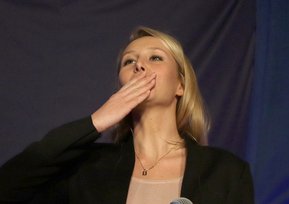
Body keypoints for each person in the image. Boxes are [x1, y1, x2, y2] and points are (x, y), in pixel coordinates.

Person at [0, 27, 254, 204]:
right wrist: (96, 121)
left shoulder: (225, 171)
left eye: (155, 57)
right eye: (129, 62)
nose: (140, 66)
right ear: (122, 85)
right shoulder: (88, 169)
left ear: (180, 86)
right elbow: (9, 186)